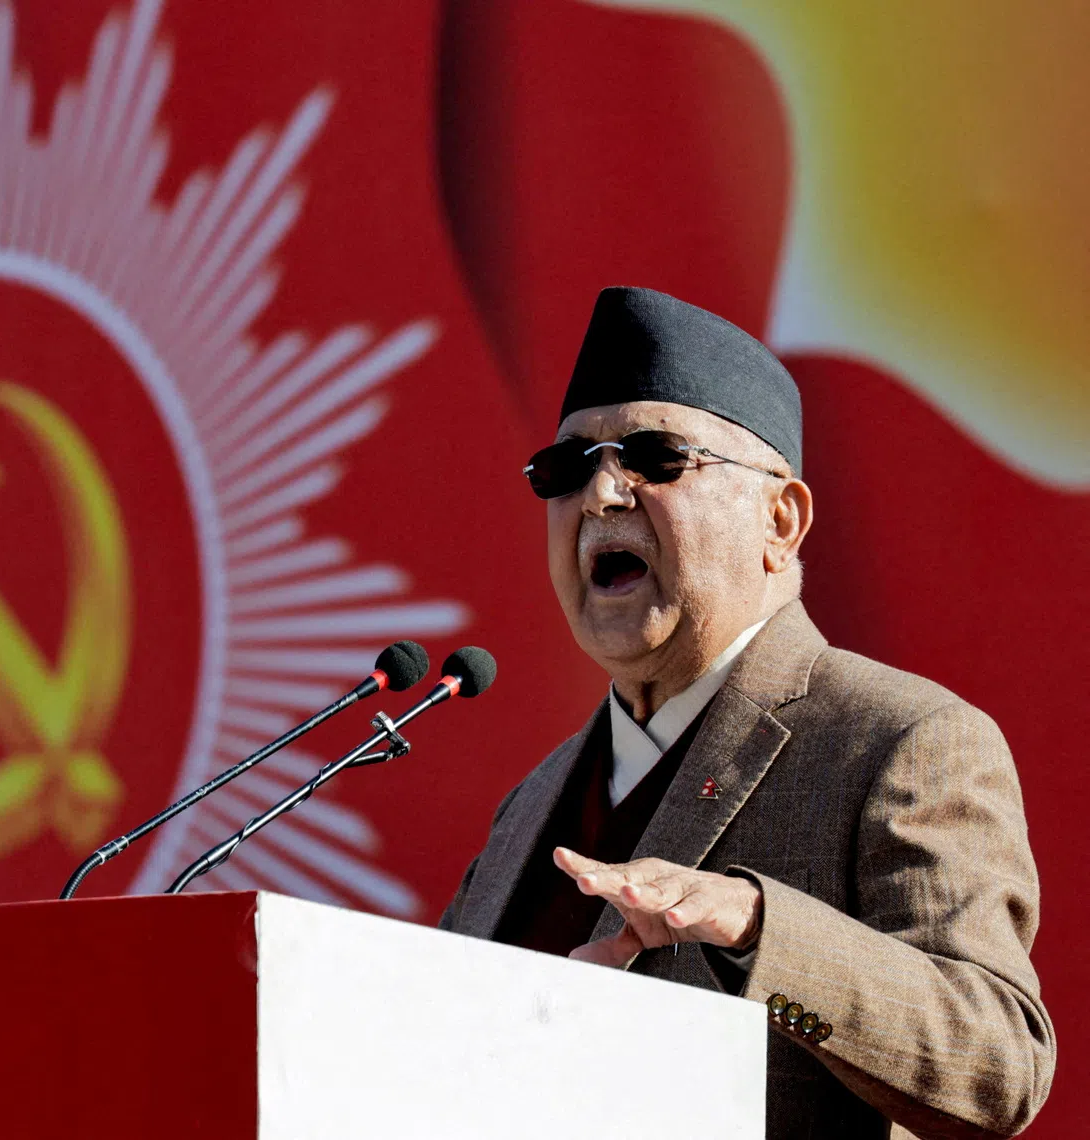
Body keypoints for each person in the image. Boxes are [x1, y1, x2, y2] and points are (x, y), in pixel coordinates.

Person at [441, 287, 1055, 1138]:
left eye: (654, 457)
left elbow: (999, 1067)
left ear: (781, 518)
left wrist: (760, 928)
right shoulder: (528, 812)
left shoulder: (898, 741)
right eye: (566, 469)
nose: (602, 497)